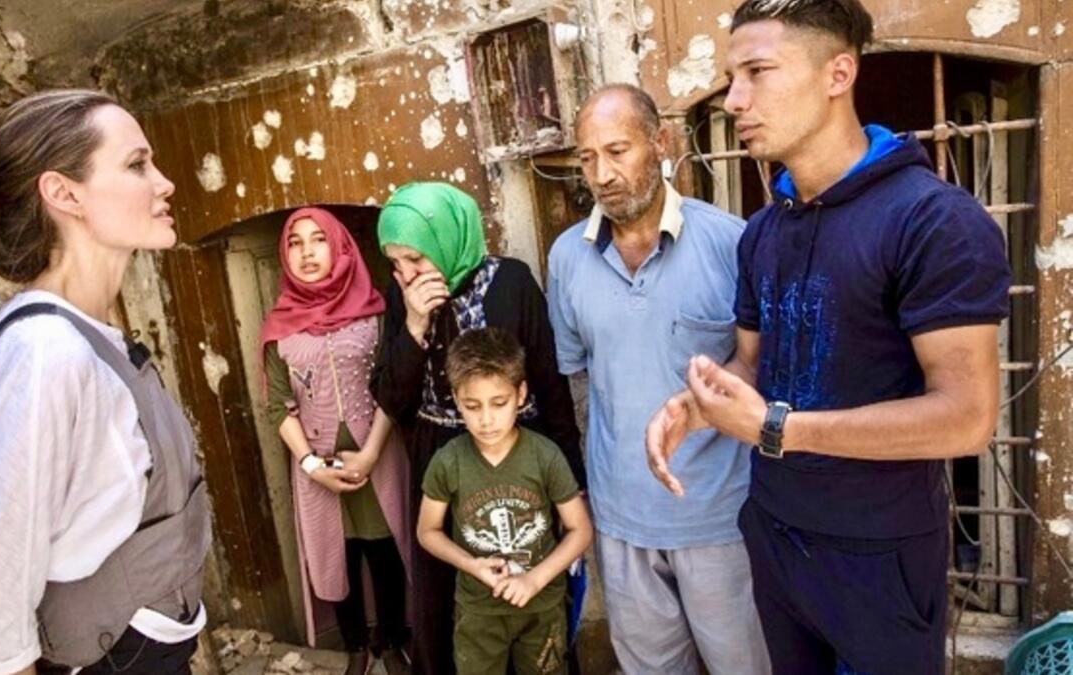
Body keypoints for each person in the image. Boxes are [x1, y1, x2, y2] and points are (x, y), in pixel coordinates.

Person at [645, 1, 1012, 673]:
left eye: (757, 71)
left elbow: (967, 418)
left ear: (837, 72)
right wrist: (697, 407)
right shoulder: (763, 231)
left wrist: (777, 428)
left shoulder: (931, 220)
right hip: (777, 534)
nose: (735, 99)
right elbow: (752, 362)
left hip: (881, 552)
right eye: (732, 77)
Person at [0, 89, 211, 674]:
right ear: (63, 193)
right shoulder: (45, 351)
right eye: (137, 165)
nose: (164, 183)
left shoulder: (91, 332)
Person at [546, 83, 769, 674]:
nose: (602, 173)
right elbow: (580, 384)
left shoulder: (733, 242)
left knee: (743, 666)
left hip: (723, 519)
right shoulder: (567, 258)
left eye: (617, 151)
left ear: (660, 143)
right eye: (587, 158)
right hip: (621, 523)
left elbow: (762, 370)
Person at [371, 182, 586, 674]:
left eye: (416, 260)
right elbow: (389, 395)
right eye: (395, 263)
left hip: (517, 452)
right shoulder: (400, 296)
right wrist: (413, 325)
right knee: (444, 595)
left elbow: (549, 385)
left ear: (448, 240)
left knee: (525, 575)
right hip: (439, 455)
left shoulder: (511, 282)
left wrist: (572, 480)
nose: (406, 274)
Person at [259, 207, 411, 675]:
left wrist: (369, 454)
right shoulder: (280, 327)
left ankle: (393, 640)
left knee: (385, 547)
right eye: (296, 243)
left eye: (318, 240)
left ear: (340, 247)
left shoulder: (378, 311)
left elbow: (391, 386)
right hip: (316, 468)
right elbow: (278, 407)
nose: (307, 252)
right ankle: (355, 646)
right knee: (337, 554)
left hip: (379, 455)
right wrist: (310, 466)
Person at [417, 328, 592, 675]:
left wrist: (534, 580)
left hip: (542, 607)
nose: (486, 419)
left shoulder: (545, 456)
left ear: (520, 394)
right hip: (478, 610)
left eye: (499, 403)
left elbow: (581, 530)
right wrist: (472, 565)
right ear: (455, 398)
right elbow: (427, 531)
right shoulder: (448, 461)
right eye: (472, 406)